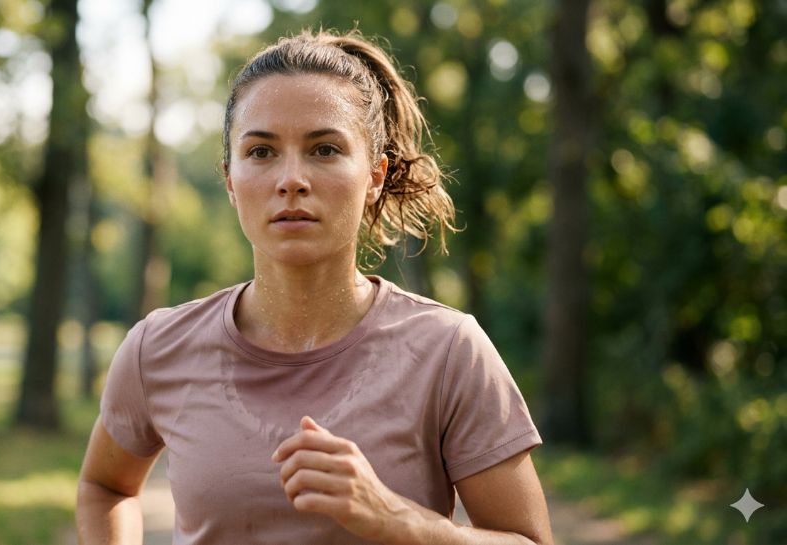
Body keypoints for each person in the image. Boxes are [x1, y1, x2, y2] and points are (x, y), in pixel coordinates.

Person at [77, 29, 552, 545]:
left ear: (375, 175)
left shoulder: (448, 351)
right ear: (231, 180)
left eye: (324, 149)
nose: (291, 179)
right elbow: (105, 486)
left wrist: (398, 519)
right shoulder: (158, 347)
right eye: (261, 151)